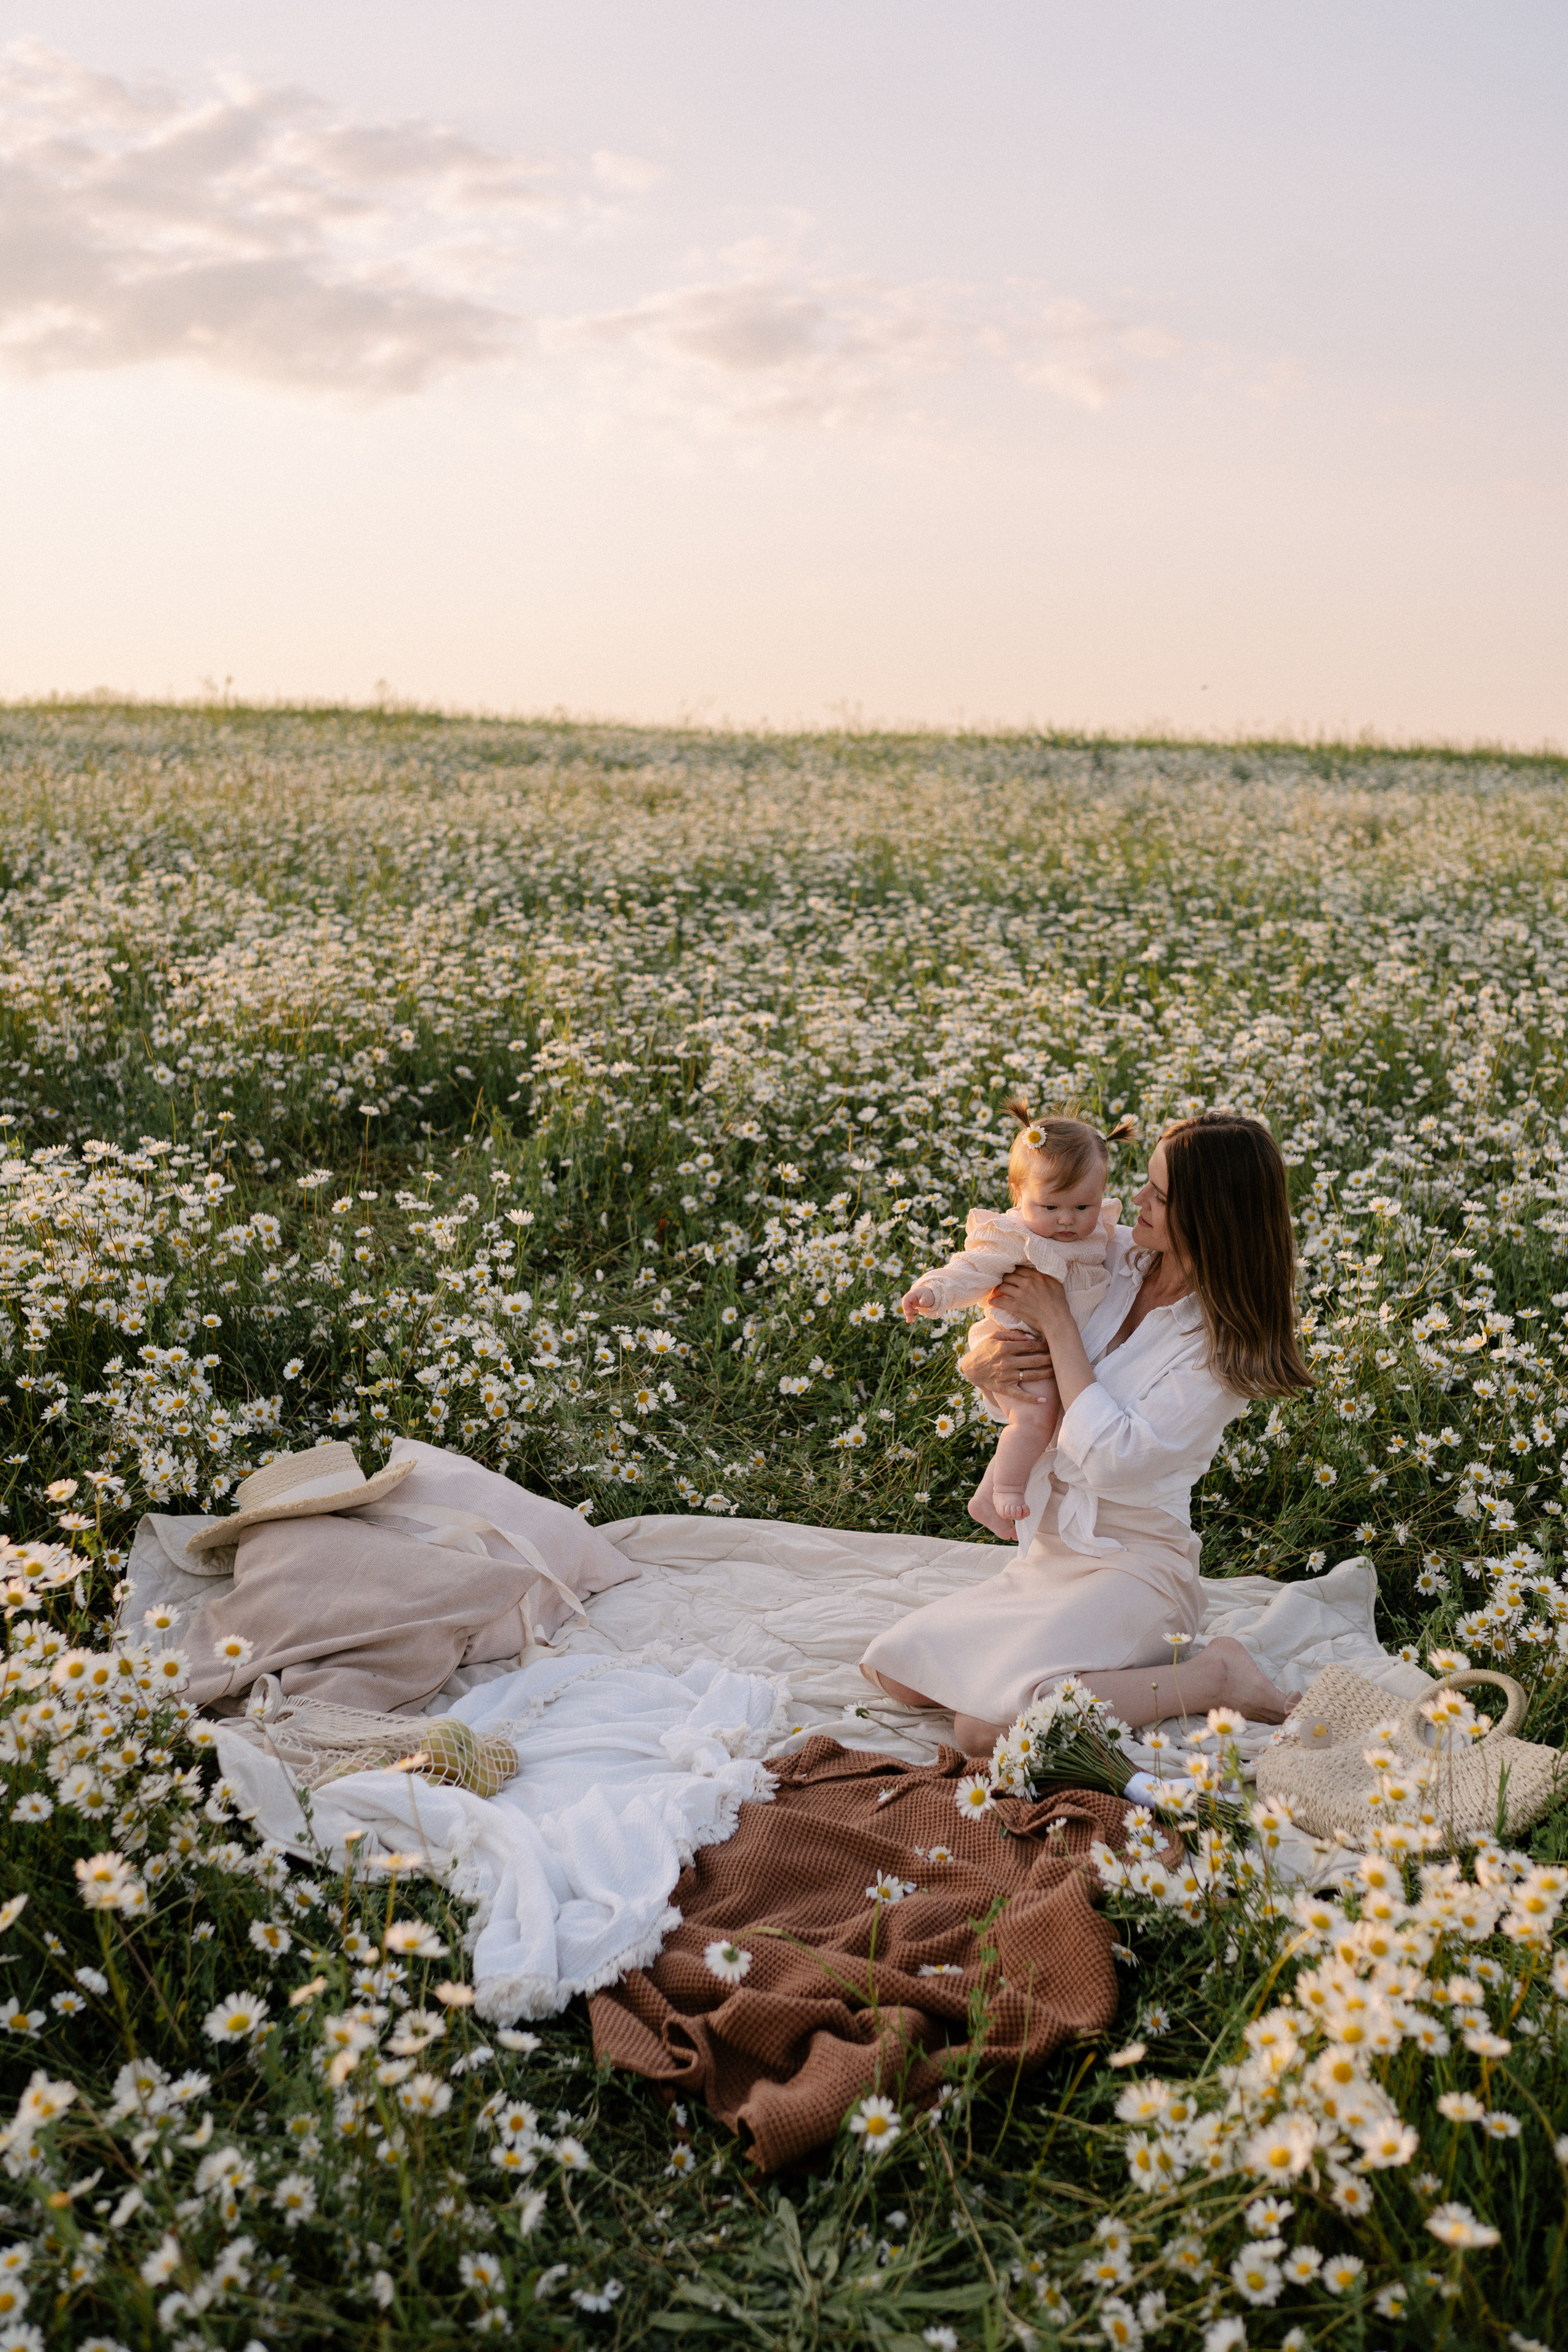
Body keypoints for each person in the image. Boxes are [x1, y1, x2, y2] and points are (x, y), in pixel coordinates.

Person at [861, 1110, 1313, 1753]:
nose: (1135, 1201)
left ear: (1209, 1215)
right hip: (1054, 1554)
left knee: (983, 1730)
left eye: (1157, 1194)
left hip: (1138, 1569)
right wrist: (982, 1367)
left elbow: (1111, 1462)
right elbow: (1024, 1381)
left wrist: (1059, 1327)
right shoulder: (1109, 1258)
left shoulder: (1223, 1347)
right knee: (896, 1669)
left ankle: (1214, 1674)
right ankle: (1073, 1653)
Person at [900, 1109, 1134, 1535]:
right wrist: (932, 1291)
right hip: (1019, 1345)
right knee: (1035, 1420)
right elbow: (969, 1270)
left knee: (1057, 1423)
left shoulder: (1099, 1232)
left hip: (1058, 1349)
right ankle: (1002, 1493)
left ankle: (993, 1495)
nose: (1067, 1220)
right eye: (1051, 1206)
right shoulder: (1013, 1237)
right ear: (1017, 1193)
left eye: (1083, 1205)